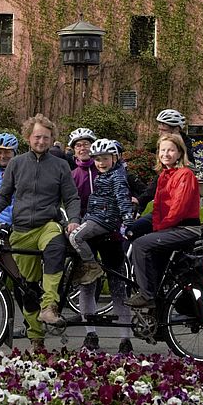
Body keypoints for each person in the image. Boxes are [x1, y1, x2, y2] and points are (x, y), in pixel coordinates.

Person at [0, 114, 80, 346]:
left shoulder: (61, 165)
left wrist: (74, 219)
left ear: (52, 139)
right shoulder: (16, 163)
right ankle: (36, 338)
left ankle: (49, 306)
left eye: (46, 138)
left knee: (55, 243)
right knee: (27, 288)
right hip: (22, 229)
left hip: (47, 223)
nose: (41, 141)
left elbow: (72, 197)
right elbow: (4, 194)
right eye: (37, 137)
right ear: (28, 137)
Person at [70, 139, 133, 351]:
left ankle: (125, 338)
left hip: (111, 235)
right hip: (91, 234)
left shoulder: (119, 176)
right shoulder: (92, 175)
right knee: (87, 285)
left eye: (105, 159)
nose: (101, 163)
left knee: (118, 287)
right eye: (97, 159)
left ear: (115, 158)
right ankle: (91, 334)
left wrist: (128, 221)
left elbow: (125, 199)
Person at [125, 135, 200, 312]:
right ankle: (157, 313)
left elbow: (178, 209)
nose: (166, 154)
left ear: (180, 153)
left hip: (185, 228)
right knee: (150, 256)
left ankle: (146, 295)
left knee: (141, 245)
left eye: (171, 150)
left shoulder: (185, 175)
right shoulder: (164, 175)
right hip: (171, 226)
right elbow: (158, 207)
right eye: (162, 150)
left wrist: (159, 229)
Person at [132, 109, 191, 228]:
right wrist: (141, 202)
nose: (159, 133)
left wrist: (141, 201)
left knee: (137, 234)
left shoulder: (181, 160)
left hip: (172, 215)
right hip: (164, 211)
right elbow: (158, 183)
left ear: (176, 130)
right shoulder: (172, 151)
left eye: (163, 130)